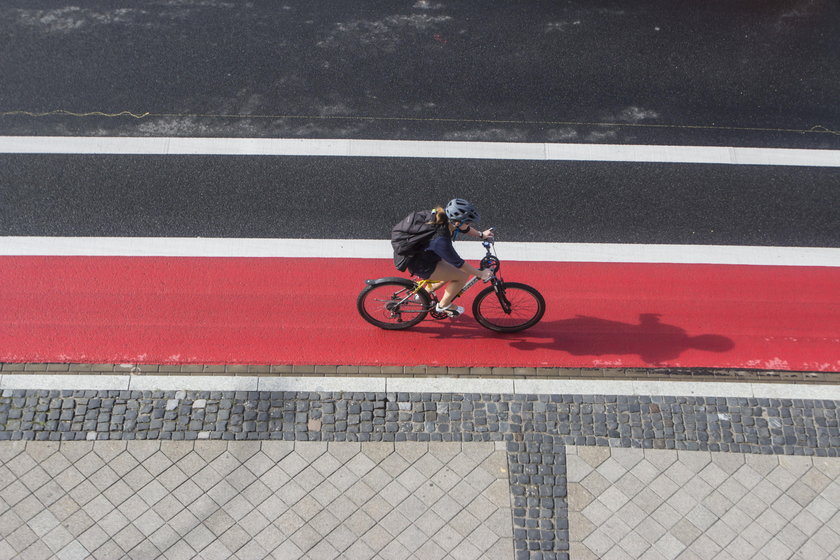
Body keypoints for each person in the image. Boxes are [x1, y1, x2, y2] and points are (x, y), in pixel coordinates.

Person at [404, 199, 495, 317]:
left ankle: (423, 294)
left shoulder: (442, 217)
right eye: (468, 222)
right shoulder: (441, 240)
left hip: (421, 254)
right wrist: (480, 274)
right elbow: (459, 263)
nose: (469, 225)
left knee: (452, 271)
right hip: (420, 263)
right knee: (462, 275)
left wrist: (481, 235)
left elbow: (464, 228)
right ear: (457, 222)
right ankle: (443, 306)